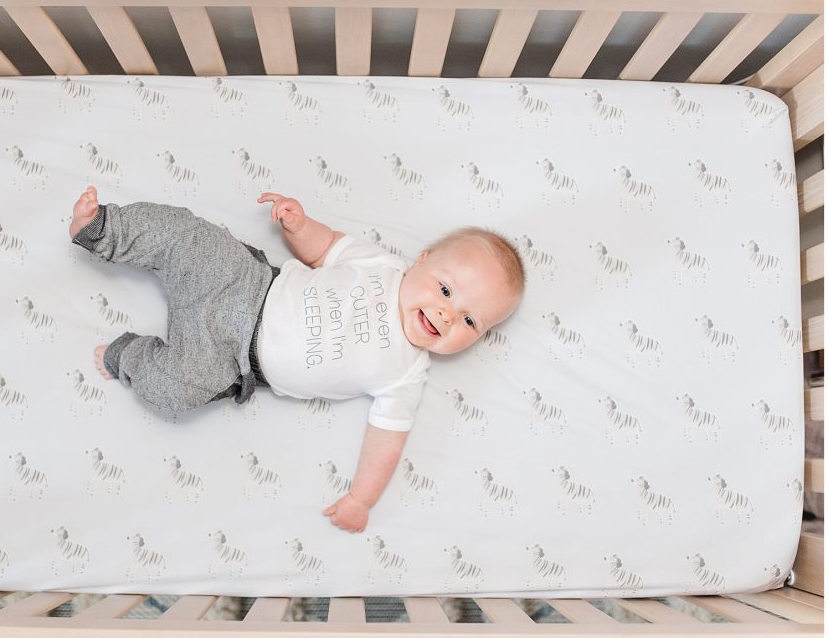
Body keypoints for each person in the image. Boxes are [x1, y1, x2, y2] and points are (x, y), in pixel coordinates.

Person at [69, 185, 525, 534]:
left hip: (232, 358)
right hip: (246, 282)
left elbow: (386, 442)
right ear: (421, 261)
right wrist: (298, 226)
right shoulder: (383, 266)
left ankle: (128, 354)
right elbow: (327, 248)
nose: (447, 315)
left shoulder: (407, 374)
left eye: (470, 322)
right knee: (189, 237)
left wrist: (362, 499)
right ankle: (105, 229)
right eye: (446, 290)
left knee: (176, 389)